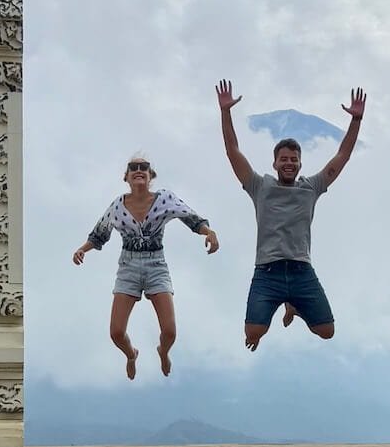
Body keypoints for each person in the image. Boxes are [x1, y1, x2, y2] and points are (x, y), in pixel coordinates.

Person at [216, 79, 366, 351]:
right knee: (253, 332)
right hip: (267, 272)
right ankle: (286, 302)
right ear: (275, 163)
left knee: (327, 331)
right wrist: (225, 112)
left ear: (300, 164)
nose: (288, 163)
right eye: (283, 159)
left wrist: (356, 120)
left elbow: (342, 155)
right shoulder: (259, 186)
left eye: (293, 160)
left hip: (301, 271)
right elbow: (232, 151)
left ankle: (294, 305)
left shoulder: (311, 187)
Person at [72, 156, 218, 379]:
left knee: (169, 332)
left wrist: (208, 232)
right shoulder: (118, 205)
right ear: (127, 177)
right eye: (133, 168)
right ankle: (131, 354)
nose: (139, 170)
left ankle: (163, 351)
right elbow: (99, 234)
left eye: (144, 168)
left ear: (151, 176)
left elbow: (191, 218)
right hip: (128, 266)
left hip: (156, 264)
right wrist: (83, 249)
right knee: (116, 333)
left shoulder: (164, 199)